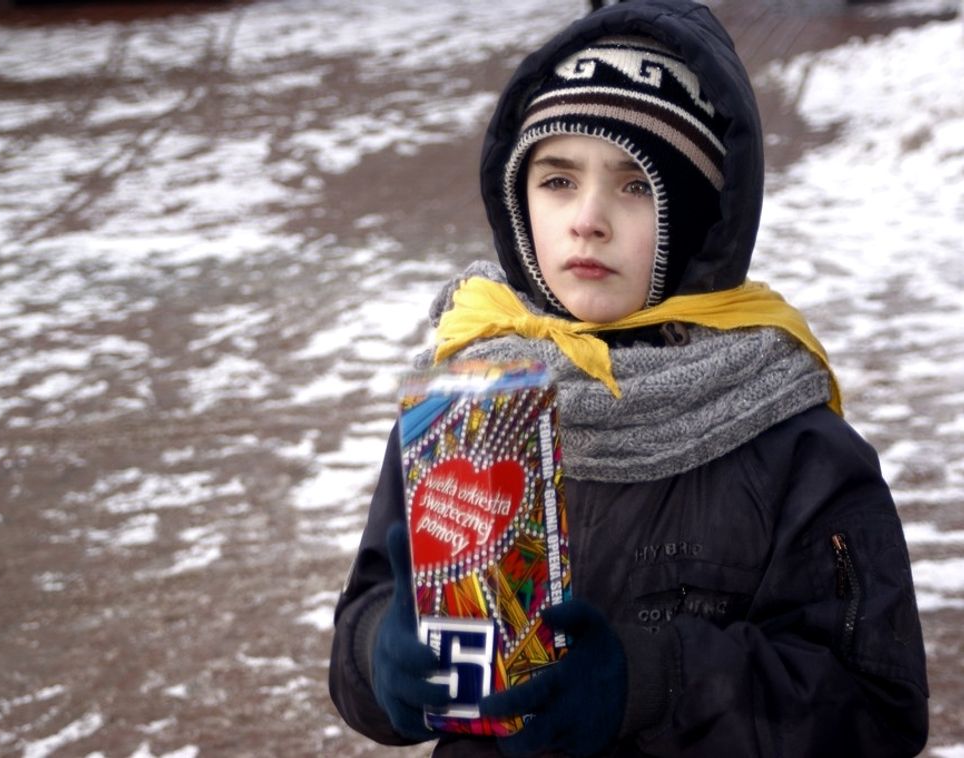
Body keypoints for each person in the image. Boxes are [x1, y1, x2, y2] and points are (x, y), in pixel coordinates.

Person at [327, 1, 929, 756]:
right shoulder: (468, 404)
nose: (588, 219)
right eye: (556, 179)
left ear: (703, 217)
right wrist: (381, 656)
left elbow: (877, 708)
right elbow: (365, 637)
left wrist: (651, 685)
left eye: (635, 185)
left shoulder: (794, 442)